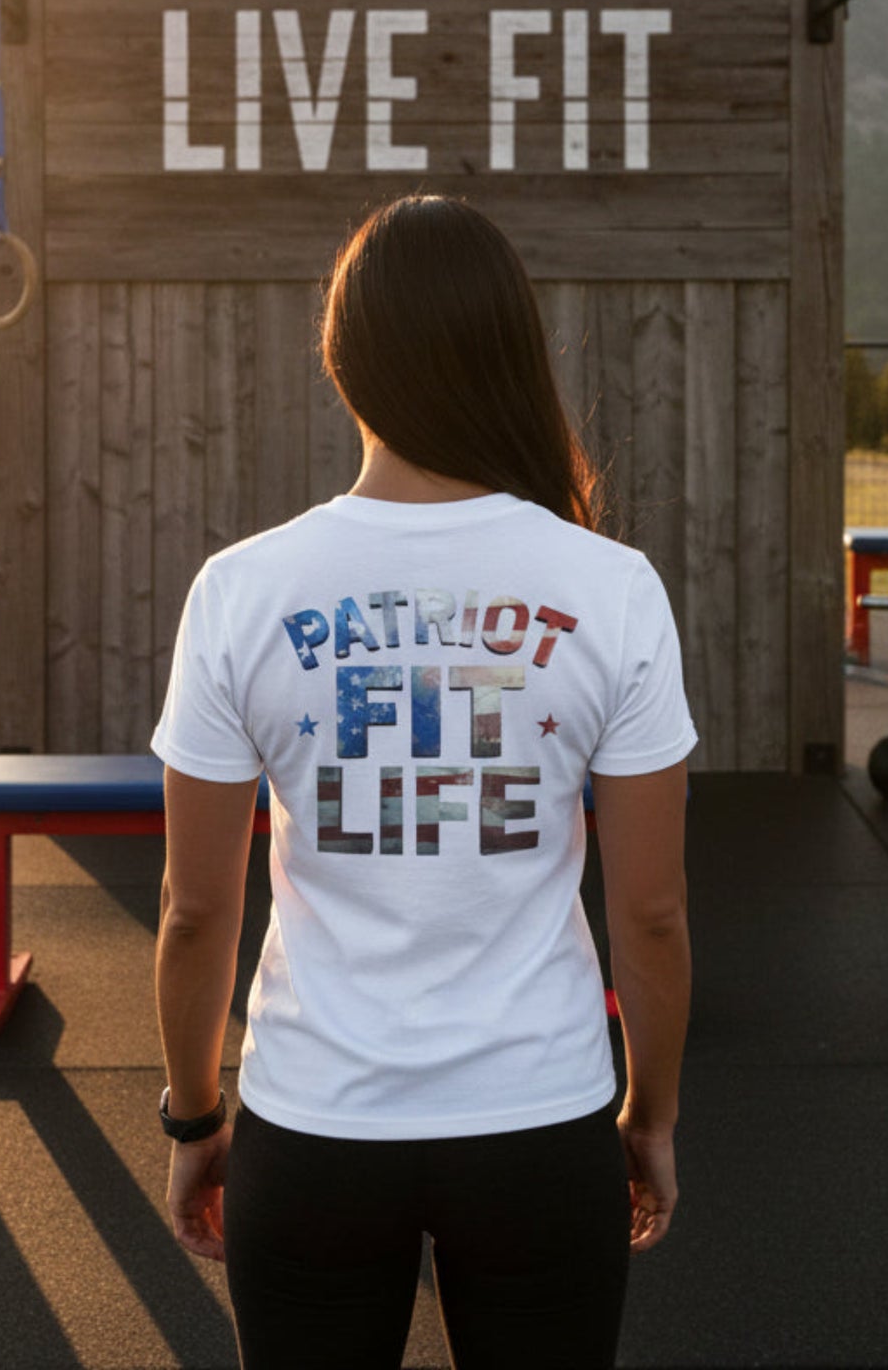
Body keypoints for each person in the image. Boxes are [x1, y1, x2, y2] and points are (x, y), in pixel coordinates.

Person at [151, 194, 696, 1370]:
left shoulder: (241, 589)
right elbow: (650, 910)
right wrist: (647, 1115)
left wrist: (195, 1113)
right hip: (540, 1125)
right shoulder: (611, 586)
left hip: (313, 1127)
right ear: (510, 349)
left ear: (342, 361)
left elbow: (195, 910)